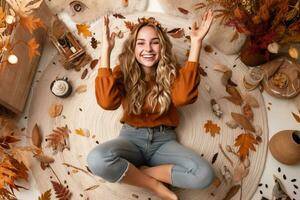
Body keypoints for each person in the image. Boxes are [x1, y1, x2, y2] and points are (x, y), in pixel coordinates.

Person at [87, 10, 214, 200]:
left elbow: (184, 98)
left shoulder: (172, 72)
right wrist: (106, 50)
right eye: (141, 43)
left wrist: (196, 44)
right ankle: (153, 184)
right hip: (131, 139)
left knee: (205, 175)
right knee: (96, 159)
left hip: (164, 142)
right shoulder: (122, 72)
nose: (148, 48)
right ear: (133, 47)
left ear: (162, 47)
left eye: (155, 42)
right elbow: (106, 102)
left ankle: (140, 173)